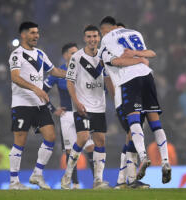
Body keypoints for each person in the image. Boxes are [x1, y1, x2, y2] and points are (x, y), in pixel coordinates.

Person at [99, 16, 171, 184]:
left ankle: (133, 170)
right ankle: (164, 162)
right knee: (154, 124)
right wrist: (139, 58)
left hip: (127, 86)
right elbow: (151, 54)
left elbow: (118, 62)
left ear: (105, 30)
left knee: (132, 130)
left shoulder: (106, 44)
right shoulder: (134, 34)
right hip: (147, 75)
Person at [8, 21, 66, 190]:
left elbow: (54, 71)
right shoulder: (16, 54)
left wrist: (71, 74)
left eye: (37, 32)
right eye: (32, 33)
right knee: (20, 140)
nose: (36, 36)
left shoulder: (40, 53)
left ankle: (37, 174)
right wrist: (36, 89)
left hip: (39, 104)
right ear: (23, 35)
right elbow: (15, 77)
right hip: (22, 103)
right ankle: (14, 182)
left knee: (51, 137)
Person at [61, 25, 114, 189]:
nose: (92, 39)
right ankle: (68, 174)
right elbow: (69, 81)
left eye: (95, 36)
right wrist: (76, 102)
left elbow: (108, 80)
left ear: (99, 38)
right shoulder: (76, 58)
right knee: (83, 138)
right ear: (85, 39)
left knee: (100, 141)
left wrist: (115, 98)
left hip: (99, 107)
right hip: (82, 106)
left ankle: (98, 180)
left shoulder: (104, 57)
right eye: (89, 37)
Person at [43, 43, 95, 189]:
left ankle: (97, 181)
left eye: (77, 52)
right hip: (66, 116)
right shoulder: (58, 72)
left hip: (82, 113)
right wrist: (53, 109)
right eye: (72, 53)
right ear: (65, 55)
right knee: (69, 151)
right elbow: (41, 92)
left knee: (90, 147)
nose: (75, 55)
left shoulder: (84, 70)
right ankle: (75, 184)